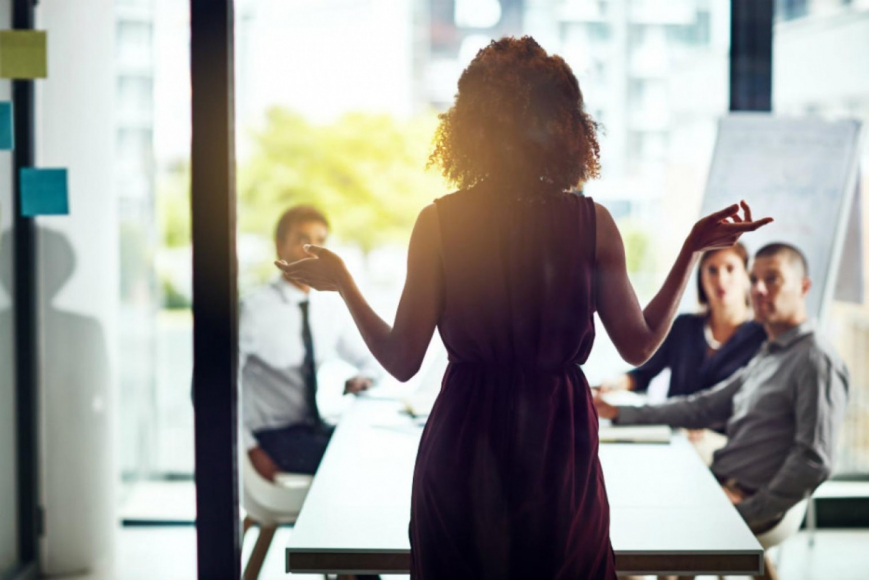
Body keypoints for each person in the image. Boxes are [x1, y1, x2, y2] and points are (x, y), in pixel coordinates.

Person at [277, 37, 771, 580]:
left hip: (464, 439)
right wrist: (690, 250)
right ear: (561, 124)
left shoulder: (439, 224)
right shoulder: (592, 223)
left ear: (473, 125)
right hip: (558, 445)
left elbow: (402, 361)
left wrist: (346, 282)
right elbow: (638, 343)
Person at [595, 243, 849, 535]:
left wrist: (747, 511)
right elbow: (703, 406)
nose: (759, 289)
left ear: (804, 287)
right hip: (719, 481)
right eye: (754, 279)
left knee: (628, 530)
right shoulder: (772, 352)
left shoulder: (815, 359)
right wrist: (620, 412)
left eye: (773, 279)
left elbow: (814, 461)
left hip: (744, 499)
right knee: (622, 507)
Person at [241, 205, 381, 482]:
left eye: (321, 241)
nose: (313, 249)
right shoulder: (253, 311)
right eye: (302, 239)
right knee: (354, 461)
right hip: (271, 437)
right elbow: (214, 389)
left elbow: (372, 359)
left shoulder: (327, 307)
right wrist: (248, 448)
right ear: (279, 246)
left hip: (311, 429)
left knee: (373, 445)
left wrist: (365, 378)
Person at [597, 242, 766, 401]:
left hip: (726, 432)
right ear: (701, 278)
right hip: (674, 429)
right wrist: (614, 385)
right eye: (712, 270)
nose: (721, 279)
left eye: (730, 269)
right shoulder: (684, 327)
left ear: (746, 276)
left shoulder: (762, 336)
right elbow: (642, 374)